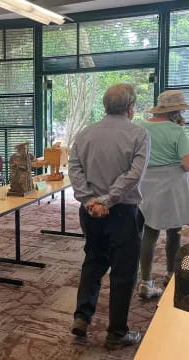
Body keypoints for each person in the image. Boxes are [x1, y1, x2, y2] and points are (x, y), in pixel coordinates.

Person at [69, 84, 150, 350]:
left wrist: (90, 200)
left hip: (90, 212)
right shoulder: (139, 134)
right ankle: (117, 333)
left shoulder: (84, 134)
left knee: (93, 260)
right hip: (123, 213)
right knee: (124, 272)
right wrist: (108, 199)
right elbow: (133, 176)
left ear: (105, 106)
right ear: (131, 107)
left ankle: (82, 316)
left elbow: (75, 169)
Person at [138, 90, 189, 299]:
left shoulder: (139, 128)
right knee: (174, 231)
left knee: (148, 233)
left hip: (144, 184)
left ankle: (145, 281)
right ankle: (170, 275)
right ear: (176, 110)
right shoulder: (177, 131)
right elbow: (186, 165)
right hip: (172, 186)